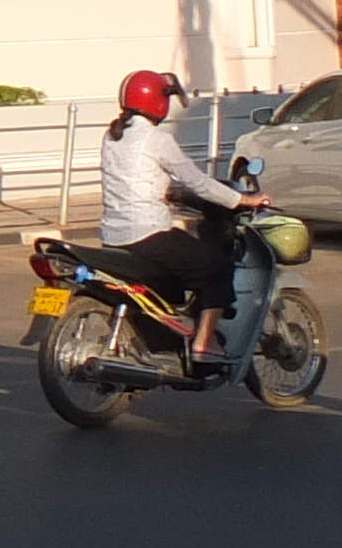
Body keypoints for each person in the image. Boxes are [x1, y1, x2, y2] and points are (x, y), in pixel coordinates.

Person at [96, 70, 268, 368]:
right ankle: (204, 341)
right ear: (158, 102)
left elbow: (133, 178)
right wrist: (242, 199)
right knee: (217, 266)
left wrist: (167, 193)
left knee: (176, 273)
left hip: (113, 234)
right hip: (147, 234)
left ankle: (167, 337)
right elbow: (197, 182)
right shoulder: (157, 139)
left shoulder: (112, 136)